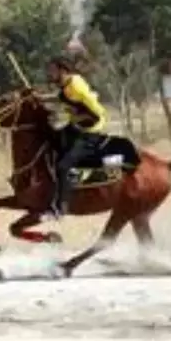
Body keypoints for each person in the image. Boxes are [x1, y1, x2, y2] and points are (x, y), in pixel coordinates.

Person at [45, 56, 108, 220]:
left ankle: (61, 207)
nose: (49, 74)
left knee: (63, 165)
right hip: (76, 127)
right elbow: (60, 97)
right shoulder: (66, 86)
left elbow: (96, 114)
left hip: (89, 132)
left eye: (52, 70)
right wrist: (39, 97)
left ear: (62, 71)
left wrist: (74, 117)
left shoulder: (76, 88)